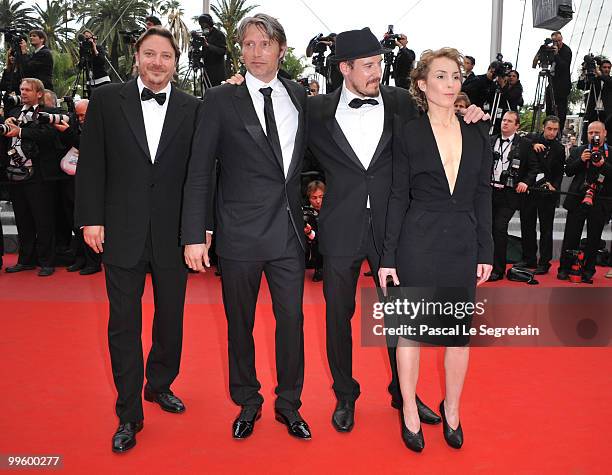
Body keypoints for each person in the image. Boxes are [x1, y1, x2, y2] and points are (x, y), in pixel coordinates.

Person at [182, 13, 312, 441]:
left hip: (289, 233)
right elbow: (200, 170)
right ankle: (248, 401)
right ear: (240, 50)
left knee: (291, 321)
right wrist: (195, 232)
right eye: (248, 45)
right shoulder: (220, 100)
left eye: (265, 44)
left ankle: (289, 403)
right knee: (239, 323)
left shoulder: (300, 96)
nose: (256, 53)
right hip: (239, 232)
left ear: (281, 49)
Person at [75, 27, 202, 453]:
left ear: (176, 61)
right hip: (121, 231)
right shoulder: (109, 101)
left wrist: (197, 230)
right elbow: (91, 164)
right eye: (150, 54)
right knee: (123, 325)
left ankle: (160, 383)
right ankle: (128, 411)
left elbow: (200, 176)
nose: (157, 62)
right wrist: (91, 219)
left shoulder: (193, 107)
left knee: (171, 319)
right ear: (136, 57)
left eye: (165, 55)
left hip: (174, 236)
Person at [378, 48, 493, 452]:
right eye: (441, 76)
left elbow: (482, 194)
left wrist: (486, 250)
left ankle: (453, 407)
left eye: (456, 76)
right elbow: (396, 196)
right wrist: (388, 257)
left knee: (458, 337)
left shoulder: (479, 130)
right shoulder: (408, 132)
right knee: (410, 333)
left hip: (462, 241)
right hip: (418, 240)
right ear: (422, 84)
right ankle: (408, 407)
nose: (450, 84)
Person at [2, 78, 62, 276]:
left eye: (28, 89)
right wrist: (7, 122)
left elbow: (48, 135)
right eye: (22, 89)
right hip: (15, 174)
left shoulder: (49, 113)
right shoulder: (13, 113)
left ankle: (47, 261)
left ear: (39, 93)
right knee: (22, 218)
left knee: (43, 219)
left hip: (39, 175)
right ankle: (25, 259)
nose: (24, 92)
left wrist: (21, 131)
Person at [557, 121, 612, 282]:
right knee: (571, 236)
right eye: (590, 132)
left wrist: (603, 164)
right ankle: (565, 268)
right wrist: (581, 160)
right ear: (586, 134)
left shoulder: (610, 152)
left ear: (605, 133)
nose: (594, 135)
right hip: (578, 199)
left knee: (594, 238)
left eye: (597, 132)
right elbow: (568, 170)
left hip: (600, 201)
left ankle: (589, 270)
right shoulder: (579, 150)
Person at [488, 111, 538, 281]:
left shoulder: (524, 144)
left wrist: (525, 182)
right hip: (488, 192)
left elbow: (533, 168)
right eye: (504, 120)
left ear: (517, 126)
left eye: (510, 121)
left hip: (509, 194)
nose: (505, 123)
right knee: (487, 229)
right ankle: (485, 264)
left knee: (499, 227)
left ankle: (498, 269)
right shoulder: (491, 140)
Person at [519, 116, 565, 274]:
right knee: (527, 226)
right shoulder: (531, 138)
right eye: (549, 129)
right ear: (543, 128)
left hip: (547, 193)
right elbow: (521, 141)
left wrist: (555, 186)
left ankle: (544, 263)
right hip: (530, 191)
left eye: (555, 130)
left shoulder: (559, 148)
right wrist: (533, 144)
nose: (552, 132)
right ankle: (528, 259)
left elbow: (559, 172)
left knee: (546, 229)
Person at [194, 13, 227, 87]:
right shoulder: (205, 35)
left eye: (205, 25)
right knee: (208, 93)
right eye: (201, 25)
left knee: (217, 94)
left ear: (210, 24)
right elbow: (204, 53)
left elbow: (222, 51)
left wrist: (208, 45)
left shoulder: (219, 34)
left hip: (217, 73)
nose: (203, 27)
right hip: (207, 71)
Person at [303, 180, 324, 281]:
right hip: (312, 247)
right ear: (309, 198)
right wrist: (308, 232)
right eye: (314, 198)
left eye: (321, 197)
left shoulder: (334, 210)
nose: (318, 201)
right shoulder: (305, 213)